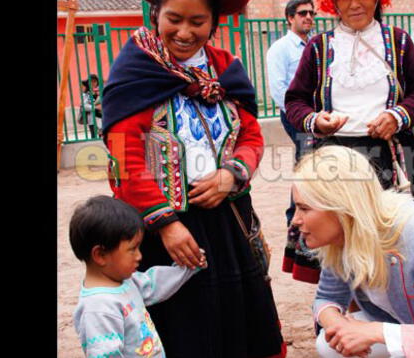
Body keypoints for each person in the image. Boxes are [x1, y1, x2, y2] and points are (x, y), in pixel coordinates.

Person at [100, 0, 286, 357]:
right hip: (167, 230)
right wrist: (166, 224)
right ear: (156, 15)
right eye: (174, 19)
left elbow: (251, 137)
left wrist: (232, 175)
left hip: (229, 220)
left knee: (242, 317)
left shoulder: (225, 67)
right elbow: (125, 156)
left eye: (198, 21)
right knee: (187, 323)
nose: (185, 32)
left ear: (213, 22)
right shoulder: (136, 70)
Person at [283, 0, 414, 284]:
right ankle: (338, 315)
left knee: (395, 242)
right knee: (338, 243)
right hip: (335, 160)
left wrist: (397, 116)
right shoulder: (318, 47)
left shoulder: (399, 42)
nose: (355, 4)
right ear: (333, 4)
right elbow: (295, 101)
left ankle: (395, 317)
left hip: (391, 155)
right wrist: (316, 121)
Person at [290, 145, 414, 358]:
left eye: (304, 208)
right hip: (410, 327)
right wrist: (340, 326)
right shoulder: (343, 236)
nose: (295, 220)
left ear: (342, 207)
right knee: (329, 345)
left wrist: (377, 332)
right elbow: (326, 298)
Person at [70, 195, 207, 358]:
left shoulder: (125, 281)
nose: (139, 256)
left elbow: (153, 284)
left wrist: (187, 268)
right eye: (132, 249)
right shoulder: (99, 309)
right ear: (100, 254)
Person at [265, 0, 320, 284]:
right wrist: (299, 117)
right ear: (289, 18)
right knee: (306, 167)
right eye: (302, 13)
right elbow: (278, 89)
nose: (309, 17)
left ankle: (305, 225)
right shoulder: (281, 49)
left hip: (318, 118)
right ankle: (296, 228)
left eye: (312, 13)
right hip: (297, 117)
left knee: (310, 166)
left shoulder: (314, 45)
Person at [79, 74, 103, 138]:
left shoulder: (99, 92)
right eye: (91, 81)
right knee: (94, 137)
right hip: (92, 118)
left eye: (94, 81)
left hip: (102, 117)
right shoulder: (85, 94)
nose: (93, 83)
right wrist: (96, 108)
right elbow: (84, 106)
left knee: (103, 137)